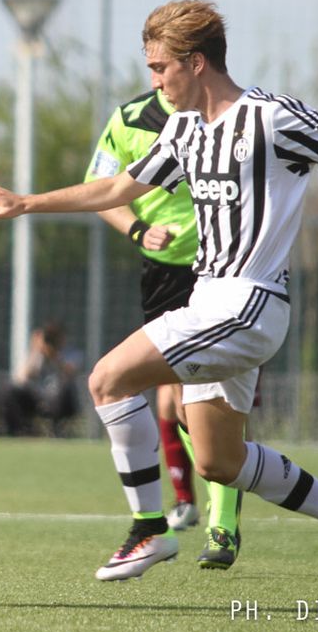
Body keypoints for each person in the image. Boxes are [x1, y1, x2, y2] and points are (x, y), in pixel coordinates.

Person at [0, 0, 318, 584]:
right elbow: (115, 187)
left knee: (106, 378)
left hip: (249, 302)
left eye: (160, 68)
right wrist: (27, 202)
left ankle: (149, 531)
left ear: (195, 63)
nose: (154, 81)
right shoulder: (186, 129)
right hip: (208, 301)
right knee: (219, 460)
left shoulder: (271, 117)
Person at [86, 89, 247, 570]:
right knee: (172, 402)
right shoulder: (129, 118)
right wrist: (138, 230)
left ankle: (221, 521)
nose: (159, 71)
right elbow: (100, 188)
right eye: (153, 61)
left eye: (165, 60)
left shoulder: (229, 113)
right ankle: (181, 509)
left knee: (198, 401)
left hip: (220, 270)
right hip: (163, 272)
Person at [0, 321, 80, 437]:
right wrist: (36, 351)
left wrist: (54, 356)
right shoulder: (39, 355)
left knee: (65, 389)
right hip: (37, 397)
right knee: (6, 390)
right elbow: (21, 378)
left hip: (58, 398)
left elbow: (70, 373)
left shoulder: (71, 353)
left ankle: (46, 430)